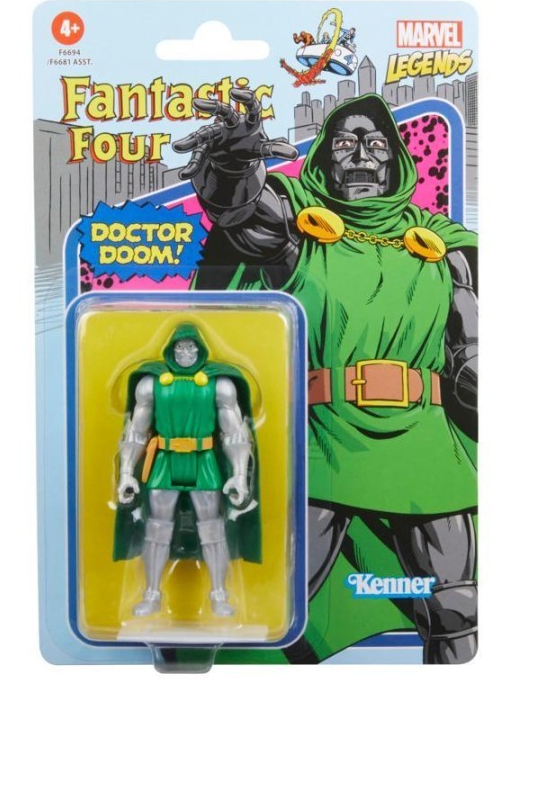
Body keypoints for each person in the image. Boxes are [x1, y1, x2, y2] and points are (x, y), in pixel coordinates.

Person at [173, 90, 477, 663]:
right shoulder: (297, 228)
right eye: (343, 144)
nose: (360, 156)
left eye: (375, 143)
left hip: (424, 443)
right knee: (262, 593)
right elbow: (240, 211)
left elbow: (471, 354)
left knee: (456, 608)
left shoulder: (443, 249)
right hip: (323, 440)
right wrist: (235, 160)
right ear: (322, 159)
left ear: (397, 159)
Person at [113, 324, 260, 618]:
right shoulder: (150, 384)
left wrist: (239, 475)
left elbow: (234, 434)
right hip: (165, 460)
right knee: (156, 529)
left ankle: (219, 595)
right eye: (180, 347)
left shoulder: (219, 385)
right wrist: (127, 472)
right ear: (171, 350)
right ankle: (151, 594)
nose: (185, 352)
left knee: (213, 529)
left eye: (191, 347)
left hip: (203, 459)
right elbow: (136, 432)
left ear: (200, 350)